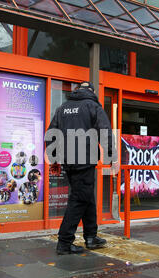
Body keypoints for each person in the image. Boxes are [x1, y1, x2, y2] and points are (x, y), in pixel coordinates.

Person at [46, 81, 118, 255]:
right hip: (85, 159)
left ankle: (91, 236)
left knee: (86, 197)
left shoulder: (62, 108)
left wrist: (54, 159)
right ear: (92, 91)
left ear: (77, 91)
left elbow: (51, 134)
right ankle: (64, 242)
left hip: (67, 160)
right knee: (79, 199)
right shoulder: (93, 106)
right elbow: (105, 132)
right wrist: (112, 158)